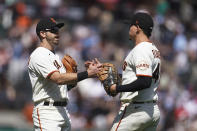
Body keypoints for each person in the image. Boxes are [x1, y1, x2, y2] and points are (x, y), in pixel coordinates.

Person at [28, 18, 101, 131]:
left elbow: (65, 86)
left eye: (58, 30)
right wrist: (87, 74)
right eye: (53, 30)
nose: (57, 33)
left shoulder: (55, 56)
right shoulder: (39, 54)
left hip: (62, 110)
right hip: (47, 112)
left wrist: (81, 75)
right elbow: (57, 79)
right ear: (42, 33)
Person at [107, 12, 161, 131]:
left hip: (137, 110)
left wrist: (117, 88)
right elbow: (138, 77)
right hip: (151, 109)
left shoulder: (141, 49)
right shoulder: (153, 49)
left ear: (137, 28)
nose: (129, 28)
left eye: (131, 25)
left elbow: (144, 81)